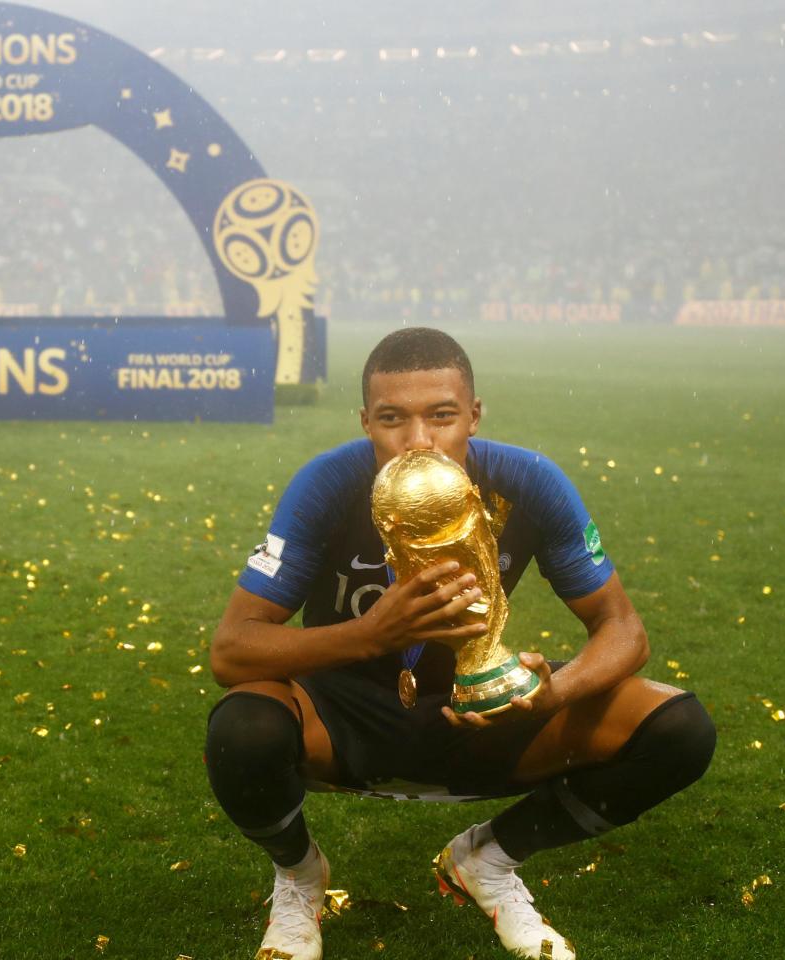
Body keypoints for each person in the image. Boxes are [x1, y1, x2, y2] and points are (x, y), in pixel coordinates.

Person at [205, 327, 715, 960]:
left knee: (679, 728)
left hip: (483, 715)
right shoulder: (329, 483)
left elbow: (624, 631)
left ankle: (490, 860)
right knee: (243, 729)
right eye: (393, 419)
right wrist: (372, 634)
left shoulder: (526, 480)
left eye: (441, 416)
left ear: (473, 415)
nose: (418, 440)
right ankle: (299, 875)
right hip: (344, 714)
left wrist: (555, 694)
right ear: (365, 422)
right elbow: (231, 650)